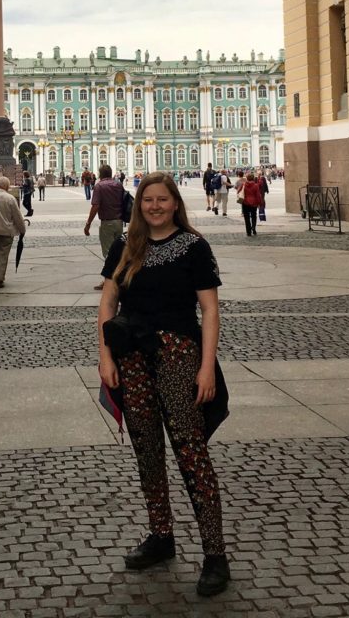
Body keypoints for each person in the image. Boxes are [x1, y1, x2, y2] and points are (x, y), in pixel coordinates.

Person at [97, 171, 229, 597]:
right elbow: (107, 301)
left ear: (175, 204)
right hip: (132, 360)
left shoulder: (194, 247)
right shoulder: (125, 246)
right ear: (140, 205)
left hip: (178, 358)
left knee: (191, 454)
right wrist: (104, 356)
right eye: (148, 200)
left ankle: (214, 554)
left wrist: (206, 367)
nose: (154, 206)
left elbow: (209, 311)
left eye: (162, 200)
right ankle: (161, 534)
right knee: (147, 451)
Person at [86, 164, 125, 291]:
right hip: (119, 222)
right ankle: (119, 277)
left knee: (108, 253)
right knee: (119, 251)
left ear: (100, 174)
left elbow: (95, 206)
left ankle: (109, 281)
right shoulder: (118, 185)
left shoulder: (99, 186)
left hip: (107, 223)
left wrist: (88, 224)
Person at [240, 171, 262, 237]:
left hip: (245, 202)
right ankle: (253, 228)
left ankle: (248, 231)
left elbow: (239, 191)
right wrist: (259, 203)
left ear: (247, 178)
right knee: (253, 216)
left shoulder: (243, 185)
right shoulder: (255, 186)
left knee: (246, 218)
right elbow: (258, 195)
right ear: (253, 178)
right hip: (254, 203)